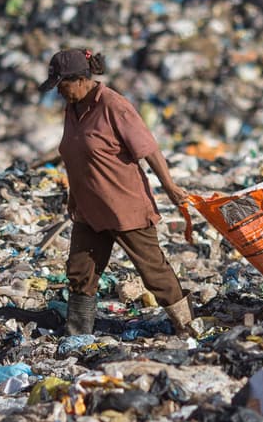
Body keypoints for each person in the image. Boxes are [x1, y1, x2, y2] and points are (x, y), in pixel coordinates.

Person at [39, 48, 195, 336]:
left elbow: (148, 149)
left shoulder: (113, 105)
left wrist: (170, 186)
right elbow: (77, 157)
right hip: (88, 210)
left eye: (62, 85)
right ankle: (78, 335)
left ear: (80, 79)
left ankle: (188, 327)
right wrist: (74, 198)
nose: (60, 93)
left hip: (125, 208)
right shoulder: (72, 109)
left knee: (154, 273)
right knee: (79, 272)